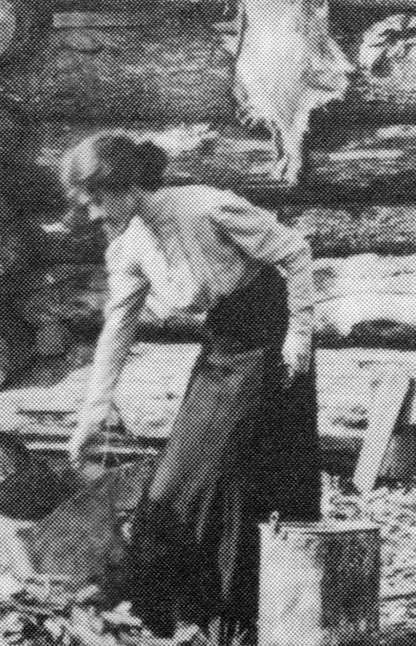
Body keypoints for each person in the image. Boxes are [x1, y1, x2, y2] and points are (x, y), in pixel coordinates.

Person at [62, 132, 320, 642]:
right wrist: (93, 410)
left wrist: (300, 330)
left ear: (130, 186)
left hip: (272, 335)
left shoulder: (206, 208)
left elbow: (293, 250)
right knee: (177, 478)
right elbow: (118, 325)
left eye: (97, 198)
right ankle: (172, 616)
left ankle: (253, 620)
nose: (92, 214)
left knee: (244, 478)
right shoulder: (130, 247)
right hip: (223, 343)